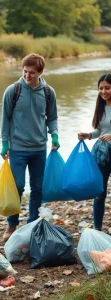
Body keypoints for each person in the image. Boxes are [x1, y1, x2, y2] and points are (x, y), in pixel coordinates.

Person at [0, 53, 59, 242]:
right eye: (25, 72)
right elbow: (5, 118)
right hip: (17, 148)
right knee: (17, 186)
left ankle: (33, 223)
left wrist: (55, 134)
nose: (27, 76)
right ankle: (12, 224)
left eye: (31, 73)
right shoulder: (13, 90)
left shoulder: (48, 92)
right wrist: (4, 143)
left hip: (39, 148)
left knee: (37, 187)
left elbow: (52, 117)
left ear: (40, 72)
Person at [78, 73, 111, 231]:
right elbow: (100, 131)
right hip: (101, 153)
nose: (103, 92)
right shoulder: (101, 106)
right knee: (100, 191)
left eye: (107, 88)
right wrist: (89, 135)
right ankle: (97, 229)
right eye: (101, 88)